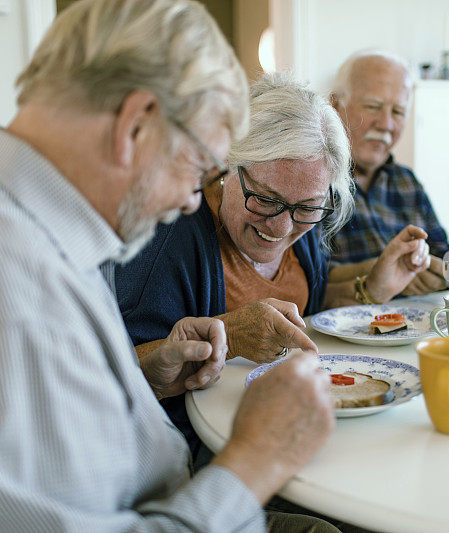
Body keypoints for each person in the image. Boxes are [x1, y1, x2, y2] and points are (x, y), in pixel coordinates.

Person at [0, 1, 338, 531]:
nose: (190, 200)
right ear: (136, 124)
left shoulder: (7, 218)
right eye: (200, 166)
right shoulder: (2, 283)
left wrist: (142, 380)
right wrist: (257, 459)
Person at [111, 72, 430, 458]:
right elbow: (112, 378)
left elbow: (301, 308)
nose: (280, 227)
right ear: (228, 166)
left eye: (307, 207)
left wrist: (372, 287)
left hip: (304, 433)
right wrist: (226, 338)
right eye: (264, 198)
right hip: (205, 454)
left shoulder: (302, 212)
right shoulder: (170, 237)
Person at [328, 50, 449, 296]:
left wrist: (444, 269)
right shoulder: (314, 180)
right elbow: (308, 275)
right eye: (373, 106)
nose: (386, 124)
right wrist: (386, 271)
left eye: (398, 112)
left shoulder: (407, 182)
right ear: (335, 105)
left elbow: (443, 249)